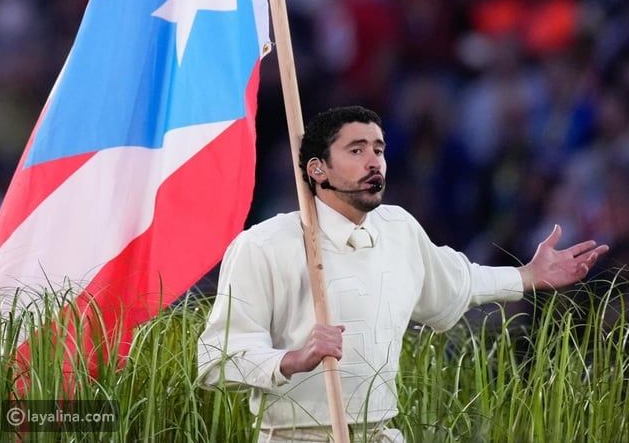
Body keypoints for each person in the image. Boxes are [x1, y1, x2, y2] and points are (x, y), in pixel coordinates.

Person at [198, 106, 608, 442]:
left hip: (381, 434)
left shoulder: (399, 228)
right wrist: (292, 359)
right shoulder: (263, 245)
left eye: (378, 149)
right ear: (318, 169)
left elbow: (458, 280)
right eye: (356, 150)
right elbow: (215, 359)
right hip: (295, 437)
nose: (373, 161)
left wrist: (526, 276)